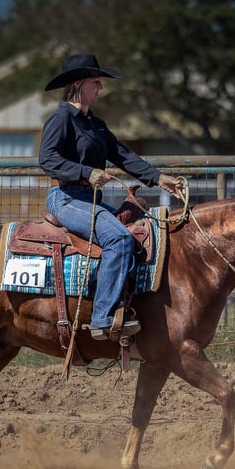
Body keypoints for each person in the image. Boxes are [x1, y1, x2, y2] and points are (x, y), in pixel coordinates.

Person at [38, 53, 183, 341]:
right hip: (65, 197)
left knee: (141, 228)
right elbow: (47, 158)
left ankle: (125, 305)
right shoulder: (61, 119)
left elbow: (123, 155)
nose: (100, 88)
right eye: (95, 82)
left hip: (87, 198)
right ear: (78, 84)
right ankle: (103, 318)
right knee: (118, 238)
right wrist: (85, 173)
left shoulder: (96, 125)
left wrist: (157, 178)